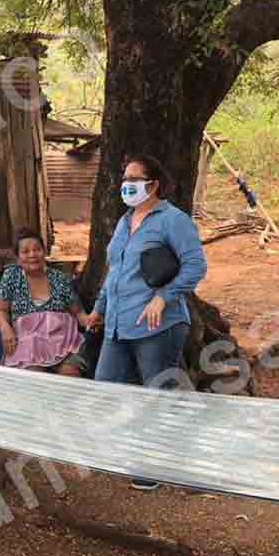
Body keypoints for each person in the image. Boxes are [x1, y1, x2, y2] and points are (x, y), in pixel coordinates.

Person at [85, 153, 207, 490]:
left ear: (152, 185)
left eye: (133, 179)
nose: (126, 185)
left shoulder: (173, 220)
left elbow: (195, 266)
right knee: (106, 385)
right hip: (117, 323)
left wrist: (163, 297)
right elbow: (114, 271)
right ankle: (135, 449)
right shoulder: (124, 222)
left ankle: (156, 464)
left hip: (158, 325)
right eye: (124, 179)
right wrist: (99, 308)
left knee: (157, 394)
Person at [0, 228, 89, 376]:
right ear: (18, 257)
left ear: (44, 252)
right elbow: (1, 310)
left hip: (64, 343)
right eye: (25, 251)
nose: (32, 255)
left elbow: (78, 312)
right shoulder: (12, 276)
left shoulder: (59, 278)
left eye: (37, 249)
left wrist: (91, 320)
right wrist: (5, 328)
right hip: (27, 347)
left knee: (69, 375)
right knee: (34, 379)